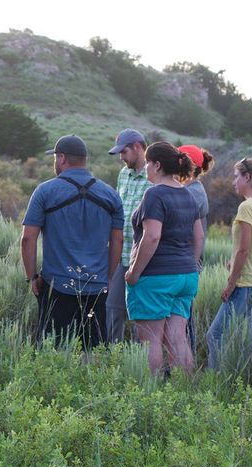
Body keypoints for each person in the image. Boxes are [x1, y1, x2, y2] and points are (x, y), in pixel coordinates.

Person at [21, 135, 124, 350]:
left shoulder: (45, 191)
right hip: (96, 286)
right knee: (94, 350)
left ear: (61, 158)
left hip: (57, 285)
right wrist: (109, 277)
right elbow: (118, 239)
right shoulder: (111, 195)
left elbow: (28, 238)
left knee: (53, 350)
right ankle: (94, 383)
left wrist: (32, 277)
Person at [124, 142, 204, 375]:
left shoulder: (154, 194)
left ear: (157, 165)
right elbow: (198, 236)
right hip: (186, 276)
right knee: (177, 339)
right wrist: (190, 265)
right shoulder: (187, 194)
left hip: (156, 278)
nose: (146, 168)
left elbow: (152, 237)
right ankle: (184, 392)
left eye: (148, 163)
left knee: (151, 340)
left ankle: (153, 395)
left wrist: (134, 272)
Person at [205, 157, 252, 370]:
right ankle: (246, 384)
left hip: (245, 285)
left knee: (215, 336)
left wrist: (231, 283)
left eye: (236, 176)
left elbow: (244, 249)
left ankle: (215, 383)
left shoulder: (247, 207)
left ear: (248, 177)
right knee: (247, 341)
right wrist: (244, 259)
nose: (233, 181)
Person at [107, 128, 149, 343]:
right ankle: (110, 359)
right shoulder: (124, 174)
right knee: (112, 310)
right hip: (120, 254)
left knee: (141, 317)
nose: (122, 158)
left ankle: (142, 363)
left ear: (138, 147)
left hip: (144, 259)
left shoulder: (155, 176)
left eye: (124, 152)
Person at [177, 144, 214, 351]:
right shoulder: (189, 190)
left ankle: (185, 370)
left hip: (186, 265)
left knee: (184, 321)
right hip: (183, 265)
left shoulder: (193, 193)